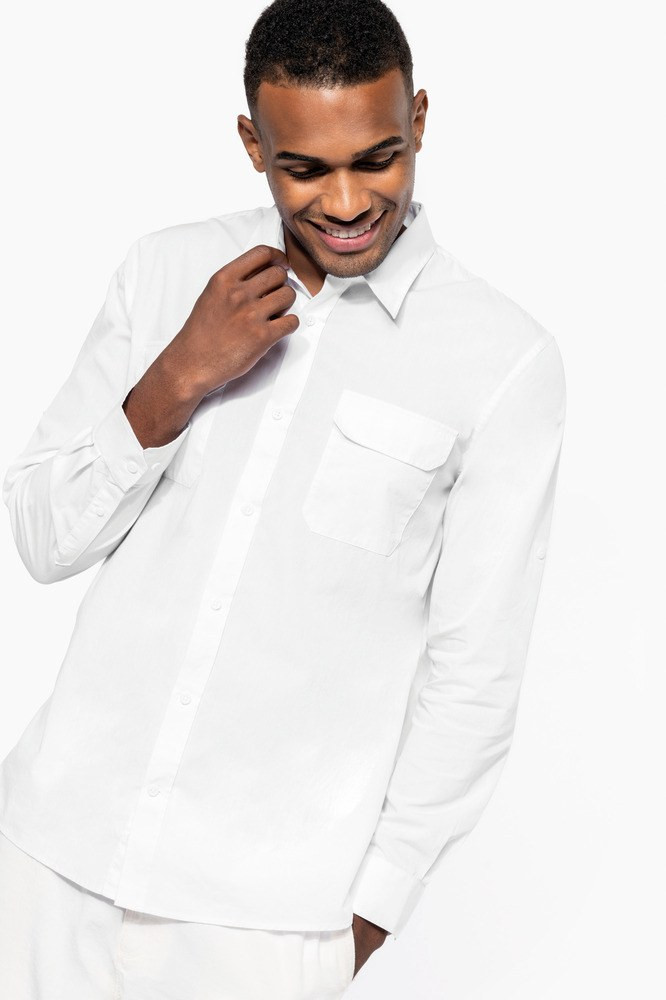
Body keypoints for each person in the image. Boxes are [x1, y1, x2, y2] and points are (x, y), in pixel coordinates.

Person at [0, 0, 567, 997]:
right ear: (252, 143)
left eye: (378, 159)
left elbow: (475, 674)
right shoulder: (166, 269)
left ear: (419, 120)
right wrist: (177, 375)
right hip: (48, 856)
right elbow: (44, 539)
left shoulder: (501, 360)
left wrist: (368, 914)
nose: (347, 201)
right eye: (305, 168)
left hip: (260, 921)